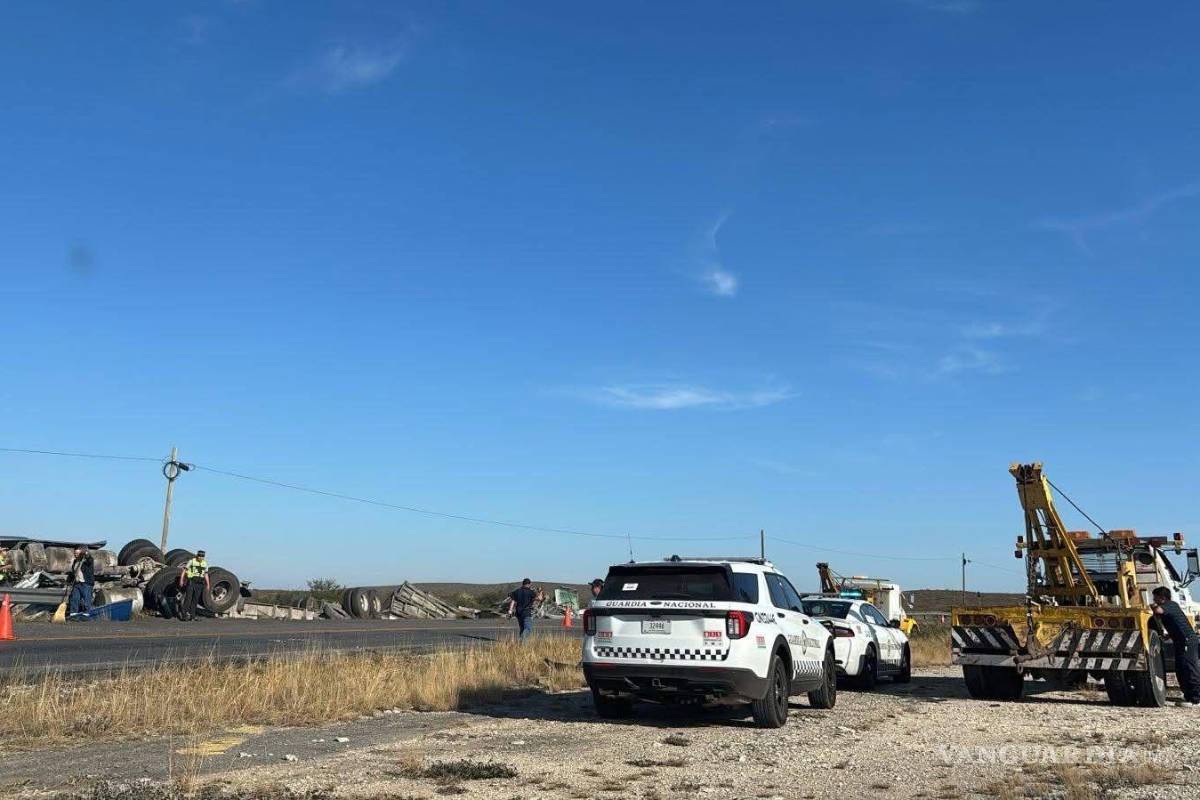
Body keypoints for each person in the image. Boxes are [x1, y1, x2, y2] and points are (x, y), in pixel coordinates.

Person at [1151, 586, 1200, 705]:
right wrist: (1168, 636)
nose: (1154, 599)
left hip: (1187, 641)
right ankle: (1188, 696)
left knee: (1189, 668)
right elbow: (1175, 624)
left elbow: (1158, 611)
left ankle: (1196, 698)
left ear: (1162, 598)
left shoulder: (1170, 605)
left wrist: (1151, 606)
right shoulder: (1169, 606)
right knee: (1180, 669)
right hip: (1179, 641)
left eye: (1155, 597)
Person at [178, 549, 210, 622]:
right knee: (188, 599)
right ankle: (184, 615)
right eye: (199, 556)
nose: (201, 557)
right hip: (191, 582)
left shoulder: (205, 563)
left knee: (195, 600)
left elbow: (206, 574)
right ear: (197, 555)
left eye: (202, 556)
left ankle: (192, 616)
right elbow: (184, 571)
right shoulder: (191, 561)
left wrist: (208, 584)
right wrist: (181, 580)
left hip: (200, 583)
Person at [67, 546, 95, 620]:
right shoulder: (75, 561)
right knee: (74, 599)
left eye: (77, 553)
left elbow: (89, 559)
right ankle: (73, 615)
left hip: (86, 583)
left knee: (86, 600)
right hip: (77, 583)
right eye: (74, 553)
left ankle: (86, 616)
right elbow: (73, 572)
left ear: (81, 553)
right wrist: (68, 580)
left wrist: (86, 553)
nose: (75, 554)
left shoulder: (88, 560)